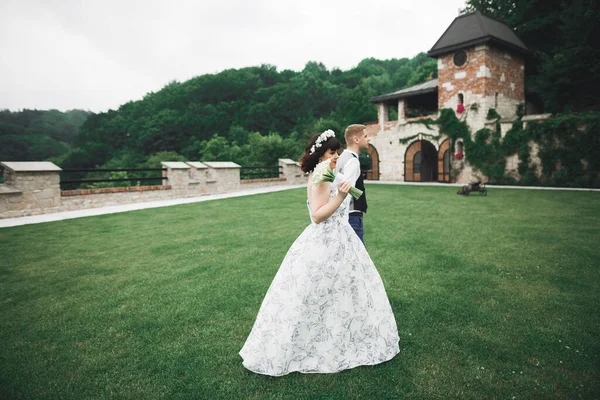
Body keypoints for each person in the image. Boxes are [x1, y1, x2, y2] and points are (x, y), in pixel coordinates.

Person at [239, 130, 400, 376]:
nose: (336, 156)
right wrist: (343, 196)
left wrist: (345, 190)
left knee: (344, 290)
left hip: (341, 238)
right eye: (332, 152)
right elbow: (317, 215)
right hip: (326, 240)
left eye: (337, 152)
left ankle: (344, 335)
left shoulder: (327, 173)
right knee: (320, 292)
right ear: (320, 154)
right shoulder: (321, 175)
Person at [336, 124, 370, 243]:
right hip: (351, 217)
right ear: (356, 139)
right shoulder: (352, 161)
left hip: (345, 216)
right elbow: (346, 191)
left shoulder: (341, 157)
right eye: (365, 136)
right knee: (359, 258)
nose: (368, 139)